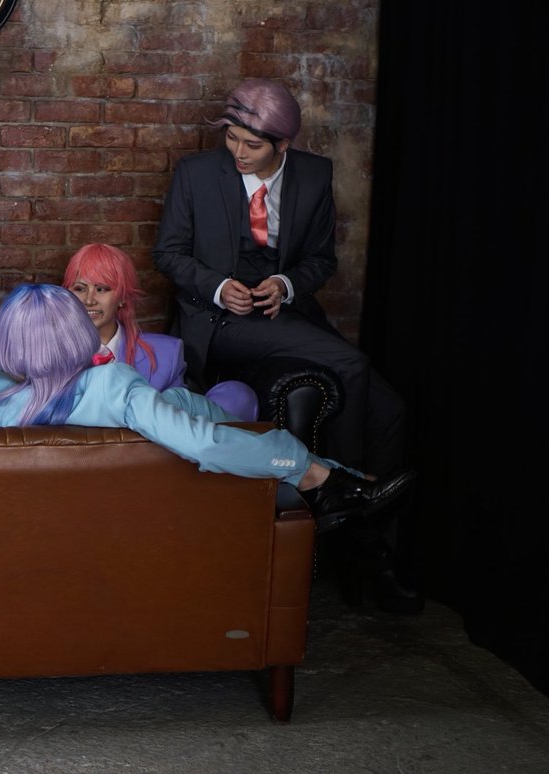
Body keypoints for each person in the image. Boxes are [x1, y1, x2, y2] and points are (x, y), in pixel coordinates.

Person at [0, 199, 413, 529]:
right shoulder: (113, 386)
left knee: (182, 400)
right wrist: (300, 464)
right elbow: (206, 446)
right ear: (74, 331)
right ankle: (325, 479)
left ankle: (336, 477)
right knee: (196, 413)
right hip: (140, 513)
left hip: (49, 520)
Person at [152, 79, 420, 613]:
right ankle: (346, 493)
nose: (238, 152)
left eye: (252, 145)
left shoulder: (314, 175)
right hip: (220, 321)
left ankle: (371, 562)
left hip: (286, 315)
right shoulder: (195, 174)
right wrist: (218, 287)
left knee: (391, 409)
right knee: (351, 361)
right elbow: (169, 253)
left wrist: (286, 284)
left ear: (284, 144)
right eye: (232, 139)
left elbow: (321, 260)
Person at [63, 242, 258, 421]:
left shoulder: (166, 354)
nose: (89, 300)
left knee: (237, 397)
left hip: (149, 448)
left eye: (101, 289)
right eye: (80, 288)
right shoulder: (49, 355)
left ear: (122, 297)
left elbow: (180, 425)